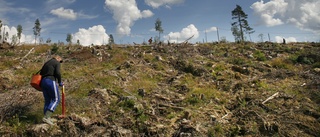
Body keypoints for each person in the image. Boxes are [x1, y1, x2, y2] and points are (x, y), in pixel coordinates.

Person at [40, 55, 64, 125]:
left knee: (48, 100)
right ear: (58, 58)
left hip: (43, 82)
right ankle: (47, 117)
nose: (60, 62)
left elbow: (41, 73)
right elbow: (57, 73)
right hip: (50, 80)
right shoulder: (56, 62)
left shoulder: (46, 63)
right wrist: (59, 82)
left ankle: (46, 117)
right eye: (60, 61)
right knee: (56, 99)